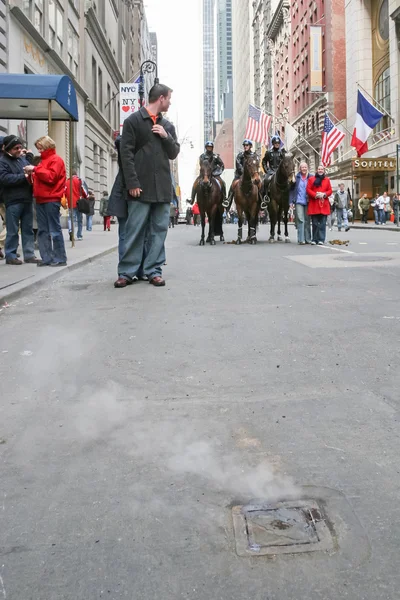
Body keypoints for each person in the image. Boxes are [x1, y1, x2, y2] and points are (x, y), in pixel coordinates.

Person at [114, 83, 180, 288]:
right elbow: (126, 155)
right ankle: (127, 272)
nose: (170, 102)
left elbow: (174, 152)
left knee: (159, 230)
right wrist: (132, 182)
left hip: (161, 188)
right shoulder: (133, 121)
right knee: (134, 230)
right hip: (139, 188)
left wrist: (165, 136)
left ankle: (153, 270)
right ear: (160, 98)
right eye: (169, 98)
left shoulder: (167, 126)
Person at [24, 135, 67, 267]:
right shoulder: (45, 161)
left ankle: (59, 258)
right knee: (43, 230)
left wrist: (35, 169)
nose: (39, 151)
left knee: (53, 229)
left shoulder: (56, 160)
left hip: (51, 198)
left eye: (40, 148)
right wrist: (30, 176)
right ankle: (47, 257)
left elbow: (51, 178)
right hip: (42, 198)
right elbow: (44, 177)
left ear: (47, 146)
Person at [0, 135, 38, 265]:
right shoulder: (2, 162)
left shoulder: (22, 160)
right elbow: (4, 178)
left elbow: (30, 170)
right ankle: (10, 255)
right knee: (13, 230)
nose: (19, 150)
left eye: (20, 147)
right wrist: (24, 177)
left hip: (26, 199)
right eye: (16, 148)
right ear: (8, 148)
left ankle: (29, 254)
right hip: (13, 200)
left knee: (28, 229)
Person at [225, 140, 259, 208]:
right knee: (233, 185)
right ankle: (228, 200)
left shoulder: (254, 156)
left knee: (260, 184)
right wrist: (244, 173)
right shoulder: (240, 155)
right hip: (240, 175)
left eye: (247, 145)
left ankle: (262, 200)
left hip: (252, 175)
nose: (245, 147)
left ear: (250, 146)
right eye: (244, 145)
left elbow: (256, 164)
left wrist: (254, 172)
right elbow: (238, 164)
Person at [306, 164, 333, 245]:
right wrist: (315, 195)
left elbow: (330, 190)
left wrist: (324, 194)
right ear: (316, 170)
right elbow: (308, 189)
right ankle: (314, 239)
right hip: (314, 204)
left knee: (322, 223)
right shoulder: (311, 179)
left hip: (323, 204)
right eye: (319, 169)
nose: (320, 170)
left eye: (322, 169)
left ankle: (321, 239)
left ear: (324, 171)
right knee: (314, 223)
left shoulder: (327, 180)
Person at [261, 135, 286, 208]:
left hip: (280, 172)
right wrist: (267, 170)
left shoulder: (282, 152)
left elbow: (286, 162)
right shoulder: (268, 152)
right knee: (265, 180)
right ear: (273, 144)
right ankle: (265, 197)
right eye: (275, 143)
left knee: (288, 182)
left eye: (278, 143)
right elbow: (264, 162)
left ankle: (287, 197)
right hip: (271, 171)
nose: (277, 144)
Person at [289, 161, 311, 245]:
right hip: (298, 201)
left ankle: (308, 239)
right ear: (300, 169)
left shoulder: (311, 177)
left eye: (305, 167)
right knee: (300, 220)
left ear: (307, 168)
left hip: (308, 201)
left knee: (307, 220)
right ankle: (301, 239)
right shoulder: (296, 177)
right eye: (302, 167)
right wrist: (291, 201)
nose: (304, 169)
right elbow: (291, 190)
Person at [66, 169, 87, 240]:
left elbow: (65, 192)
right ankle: (79, 235)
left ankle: (70, 230)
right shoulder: (79, 180)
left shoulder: (67, 181)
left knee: (71, 218)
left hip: (70, 202)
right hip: (79, 203)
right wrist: (85, 197)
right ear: (76, 174)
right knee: (79, 219)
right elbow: (84, 191)